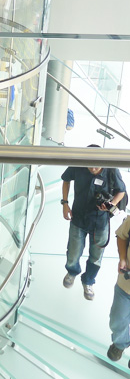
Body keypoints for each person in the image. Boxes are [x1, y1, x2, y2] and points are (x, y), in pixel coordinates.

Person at [61, 151, 125, 300]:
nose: (93, 169)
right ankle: (72, 272)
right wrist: (65, 203)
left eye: (96, 167)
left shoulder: (111, 169)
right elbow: (65, 179)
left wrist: (111, 205)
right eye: (90, 166)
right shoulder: (79, 164)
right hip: (78, 218)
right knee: (73, 252)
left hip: (100, 221)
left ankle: (88, 281)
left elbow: (121, 191)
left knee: (96, 257)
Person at [107, 215, 130, 363]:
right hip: (125, 285)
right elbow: (121, 236)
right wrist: (122, 258)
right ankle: (120, 343)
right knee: (116, 320)